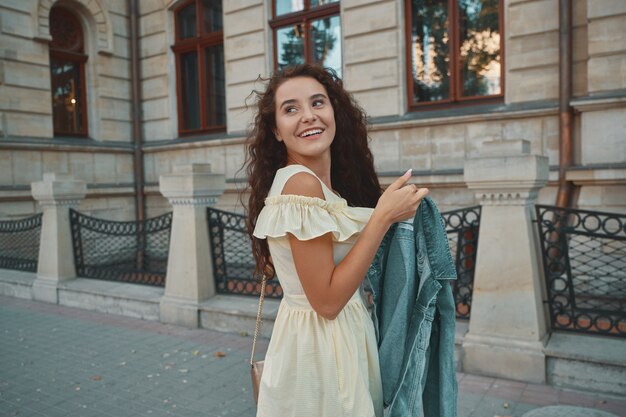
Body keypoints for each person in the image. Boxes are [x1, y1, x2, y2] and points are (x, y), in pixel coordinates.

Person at [244, 64, 429, 417]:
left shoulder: (324, 187)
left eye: (318, 103)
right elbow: (327, 303)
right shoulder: (301, 184)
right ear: (276, 131)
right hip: (322, 350)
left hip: (339, 338)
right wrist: (382, 217)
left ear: (334, 112)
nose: (308, 116)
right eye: (291, 109)